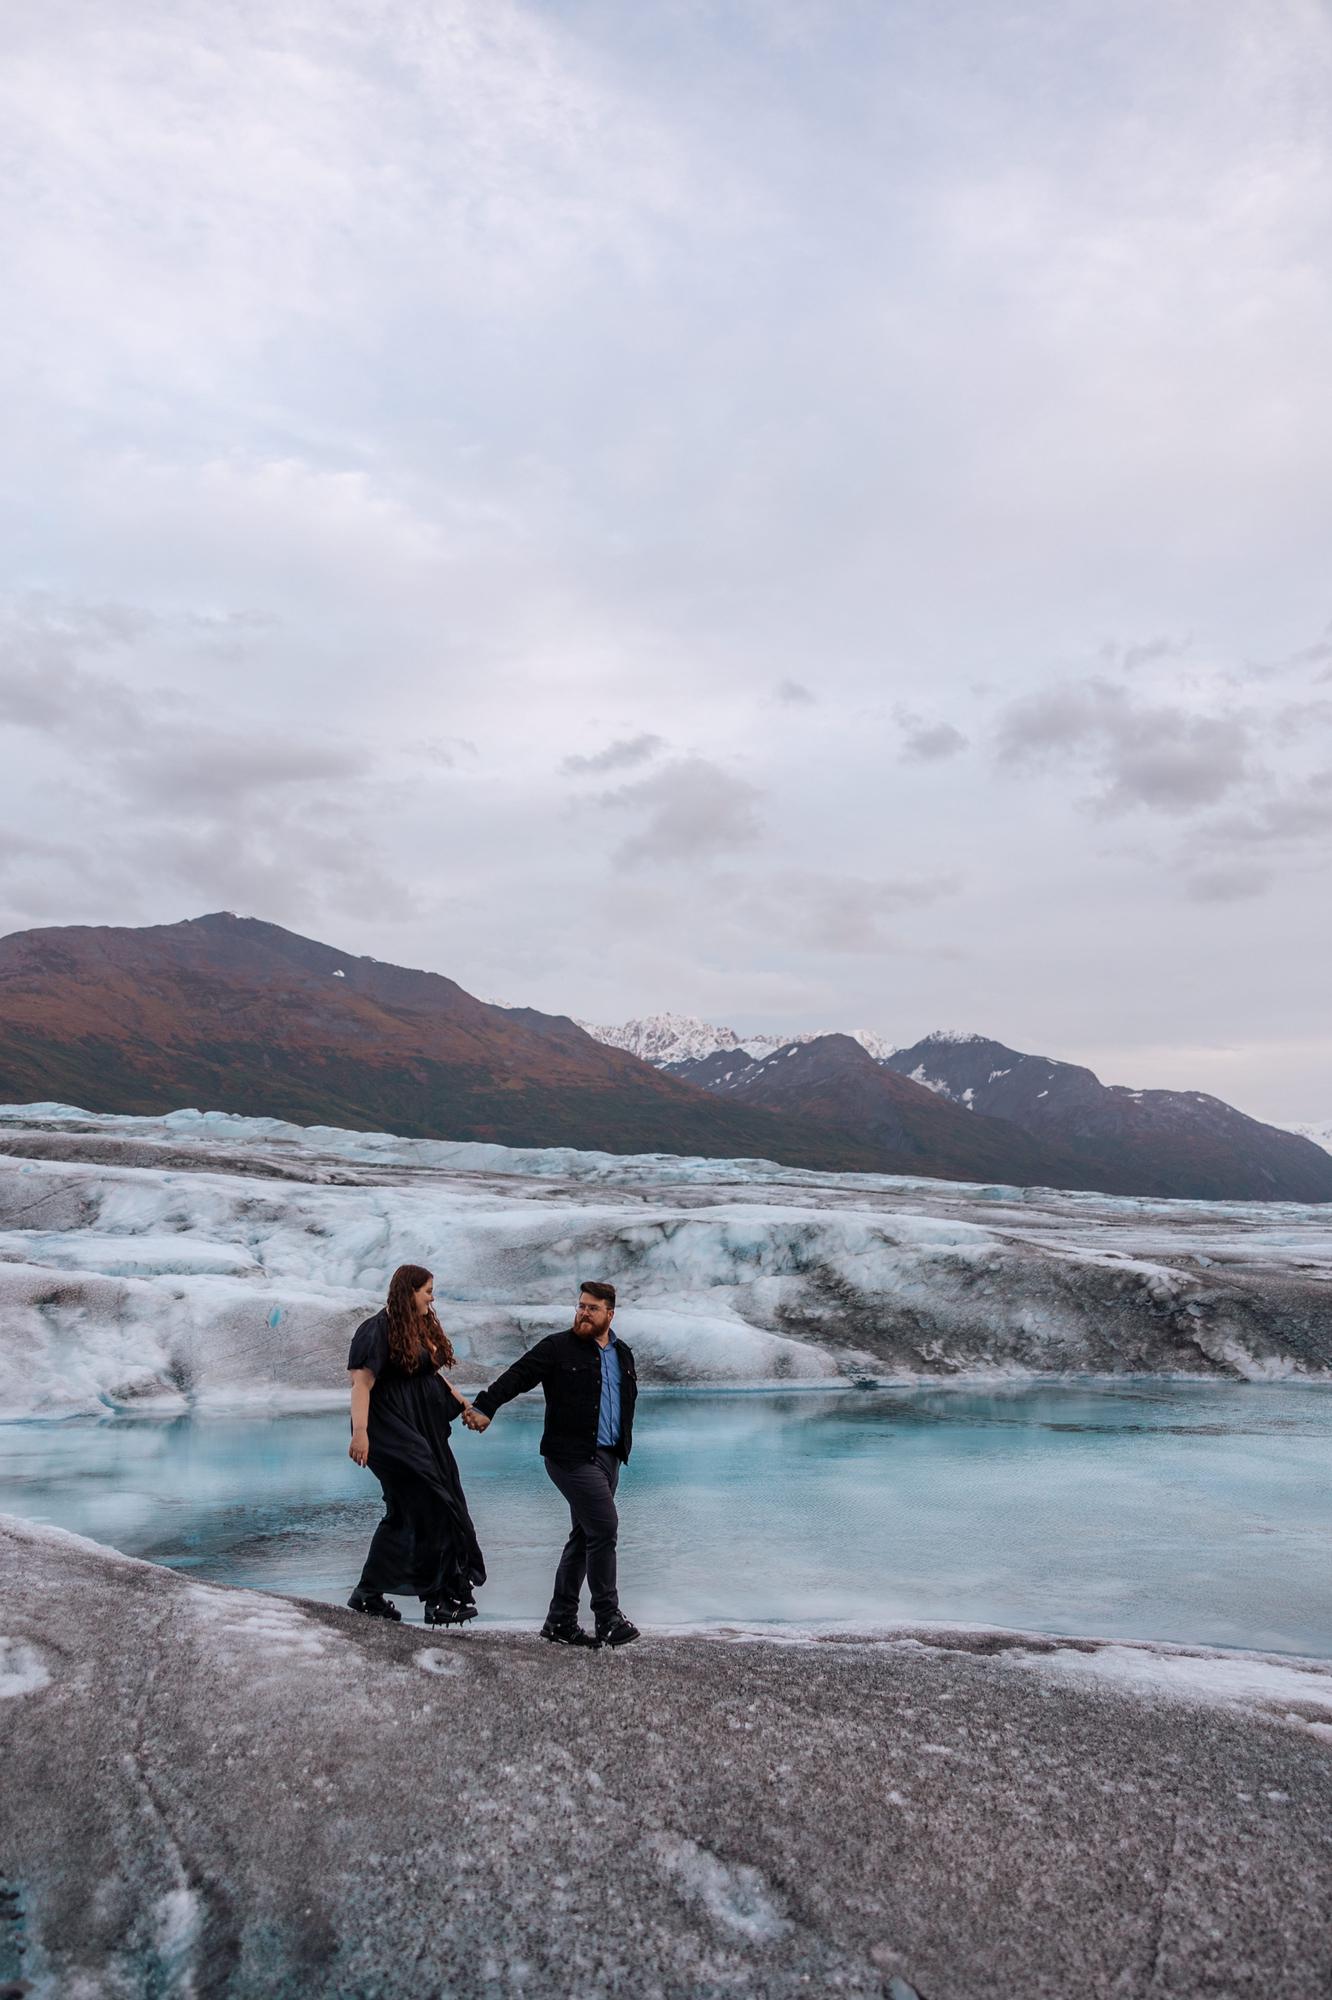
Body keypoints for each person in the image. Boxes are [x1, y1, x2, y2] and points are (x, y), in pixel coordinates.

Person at [465, 1281, 639, 1649]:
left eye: (592, 1308)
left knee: (585, 1535)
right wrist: (485, 1407)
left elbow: (625, 1402)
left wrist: (622, 1447)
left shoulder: (623, 1354)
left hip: (609, 1457)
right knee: (605, 1527)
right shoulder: (558, 1347)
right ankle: (607, 1618)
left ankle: (560, 1621)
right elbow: (519, 1375)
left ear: (610, 1313)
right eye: (580, 1306)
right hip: (569, 1457)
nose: (583, 1313)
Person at [346, 1263, 486, 1626]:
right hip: (391, 1431)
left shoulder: (420, 1324)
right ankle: (436, 1600)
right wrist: (360, 1433)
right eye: (427, 1290)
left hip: (423, 1429)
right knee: (431, 1505)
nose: (432, 1297)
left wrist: (465, 1405)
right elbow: (361, 1385)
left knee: (419, 1509)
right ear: (409, 1291)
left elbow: (432, 1374)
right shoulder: (376, 1329)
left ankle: (369, 1593)